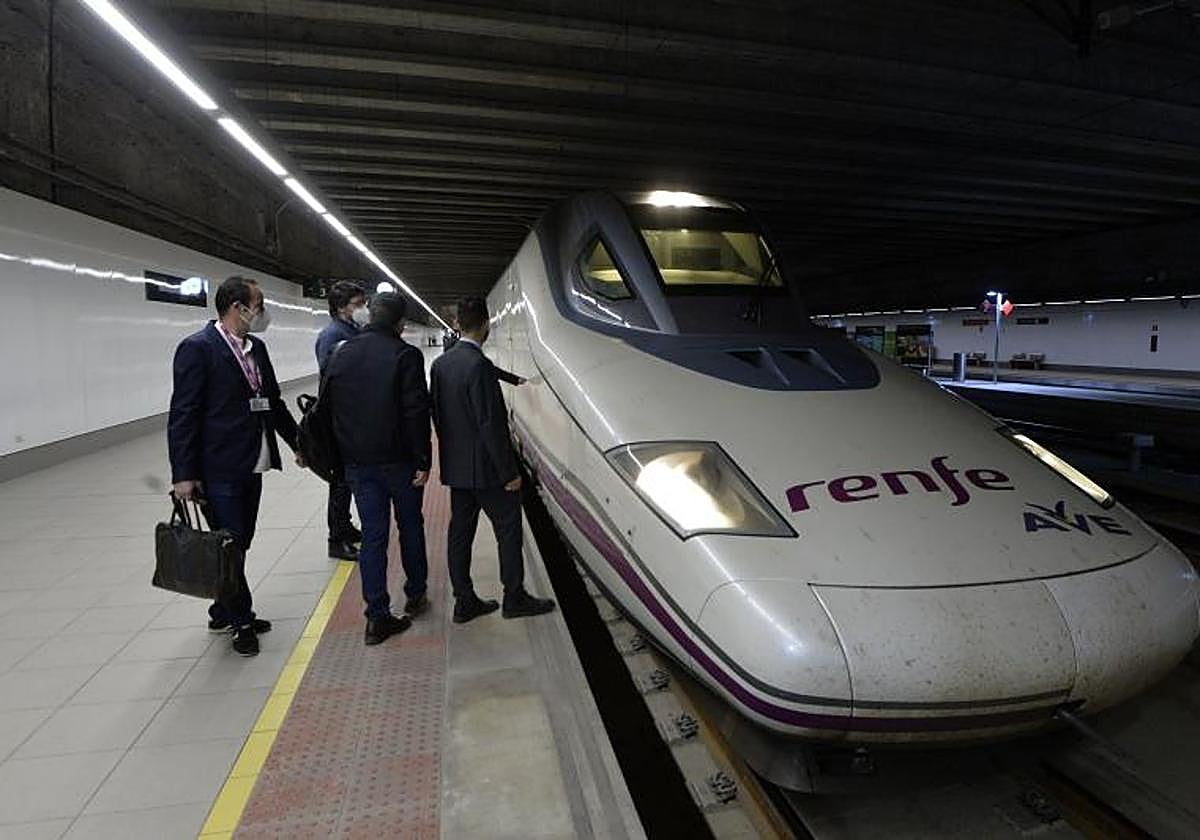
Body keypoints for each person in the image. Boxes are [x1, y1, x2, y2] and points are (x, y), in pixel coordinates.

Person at [168, 275, 302, 657]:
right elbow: (184, 414)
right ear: (237, 308)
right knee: (229, 544)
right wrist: (183, 473)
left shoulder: (256, 347)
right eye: (258, 304)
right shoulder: (197, 348)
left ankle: (220, 607)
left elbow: (272, 401)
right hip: (217, 465)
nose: (263, 312)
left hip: (253, 460)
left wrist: (298, 444)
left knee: (241, 539)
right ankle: (240, 620)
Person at [430, 296, 555, 623]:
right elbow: (490, 424)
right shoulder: (479, 366)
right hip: (486, 470)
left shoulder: (441, 364)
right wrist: (509, 472)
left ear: (458, 324)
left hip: (457, 468)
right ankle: (514, 597)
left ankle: (464, 600)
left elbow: (438, 417)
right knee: (508, 528)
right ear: (486, 324)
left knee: (460, 533)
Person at [323, 292, 431, 645]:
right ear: (400, 323)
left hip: (358, 464)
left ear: (368, 317)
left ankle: (377, 617)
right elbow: (416, 413)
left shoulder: (341, 353)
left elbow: (327, 409)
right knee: (411, 526)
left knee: (373, 536)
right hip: (399, 463)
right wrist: (423, 461)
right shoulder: (405, 355)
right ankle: (415, 594)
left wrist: (338, 459)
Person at [315, 280, 368, 562]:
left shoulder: (352, 331)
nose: (364, 309)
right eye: (358, 305)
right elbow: (331, 379)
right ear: (340, 308)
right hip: (338, 420)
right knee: (340, 482)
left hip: (350, 417)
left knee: (347, 479)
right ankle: (336, 540)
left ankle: (345, 527)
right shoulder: (332, 336)